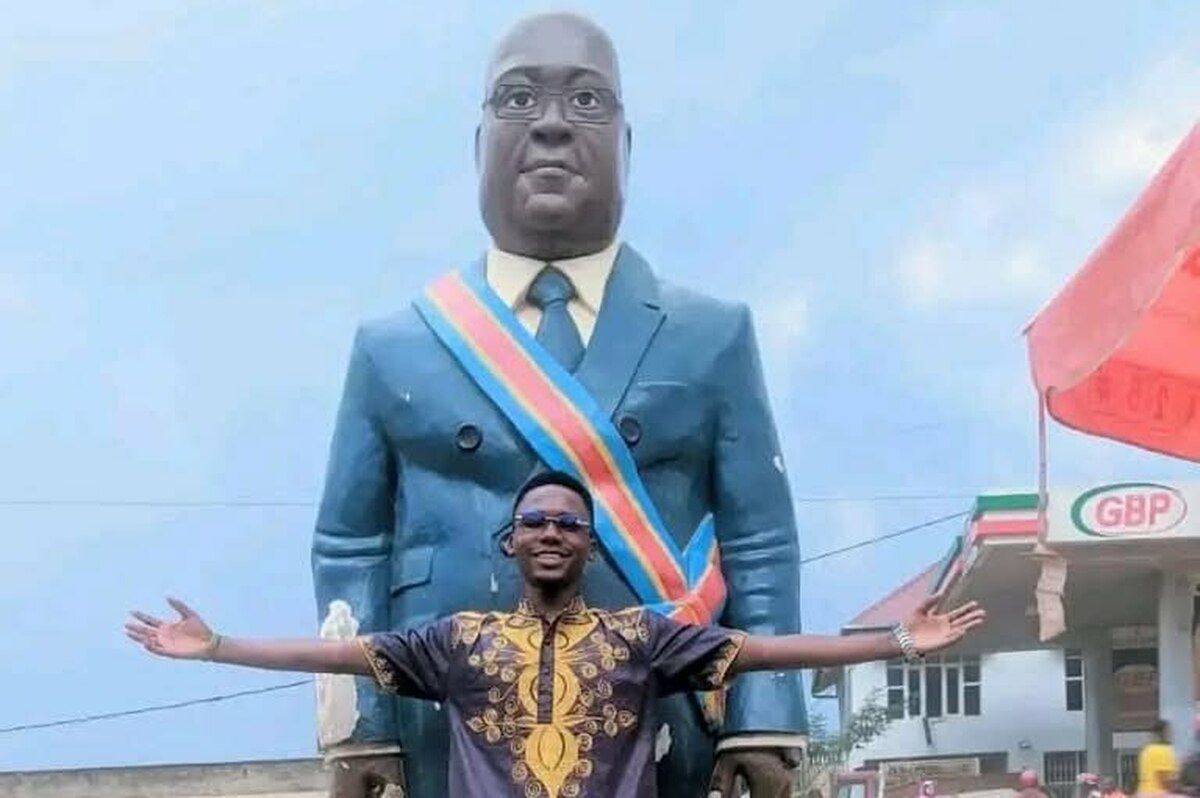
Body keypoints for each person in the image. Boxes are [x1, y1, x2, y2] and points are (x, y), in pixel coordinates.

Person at [310, 11, 814, 798]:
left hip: (661, 731)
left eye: (586, 100)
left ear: (626, 145)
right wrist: (360, 726)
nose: (550, 124)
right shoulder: (394, 348)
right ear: (479, 144)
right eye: (517, 98)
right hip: (448, 736)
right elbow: (350, 546)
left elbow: (760, 541)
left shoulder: (711, 337)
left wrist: (764, 717)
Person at [132, 472, 987, 798]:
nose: (550, 531)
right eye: (535, 521)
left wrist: (897, 642)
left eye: (568, 523)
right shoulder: (458, 641)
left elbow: (764, 651)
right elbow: (342, 654)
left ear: (589, 547)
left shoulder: (639, 638)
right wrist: (220, 646)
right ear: (510, 543)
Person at [1136, 719, 1178, 797]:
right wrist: (1180, 788)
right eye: (1169, 732)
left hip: (1142, 793)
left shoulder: (1146, 750)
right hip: (1158, 794)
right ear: (1164, 733)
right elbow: (1164, 780)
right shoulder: (1163, 750)